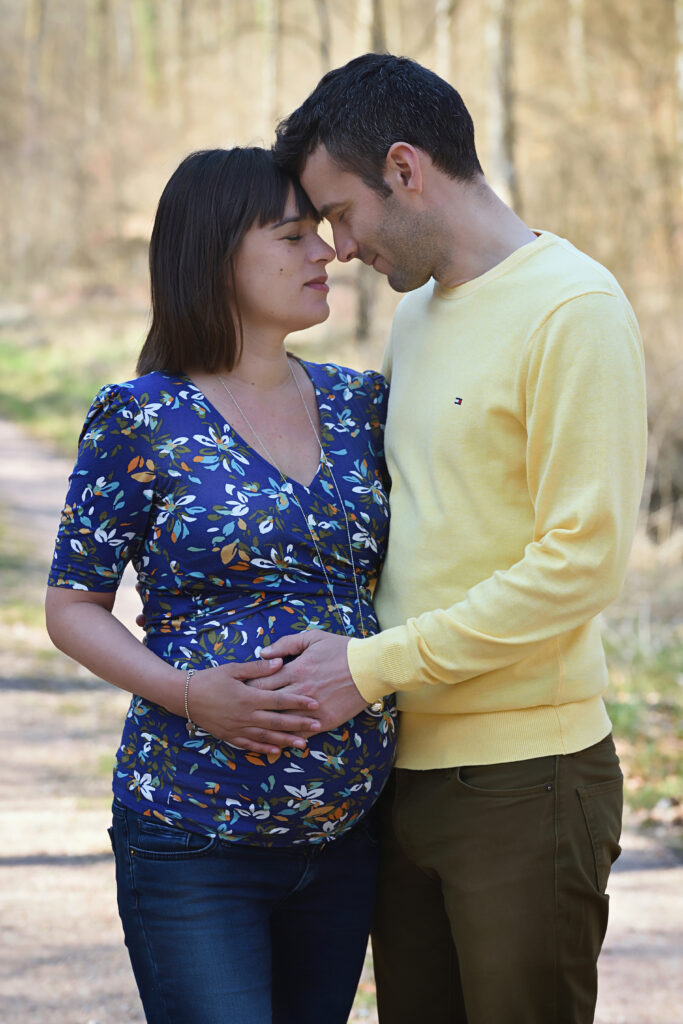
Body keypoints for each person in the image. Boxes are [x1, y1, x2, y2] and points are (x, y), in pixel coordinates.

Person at [253, 54, 648, 1024]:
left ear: (404, 168)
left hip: (526, 781)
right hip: (402, 770)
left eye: (340, 213)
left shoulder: (573, 308)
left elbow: (579, 563)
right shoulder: (418, 319)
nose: (337, 248)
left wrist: (373, 664)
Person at [45, 146, 396, 1024]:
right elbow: (71, 609)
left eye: (320, 232)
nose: (324, 255)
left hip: (349, 839)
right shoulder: (143, 417)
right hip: (194, 838)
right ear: (215, 255)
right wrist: (191, 695)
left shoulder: (363, 404)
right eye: (291, 236)